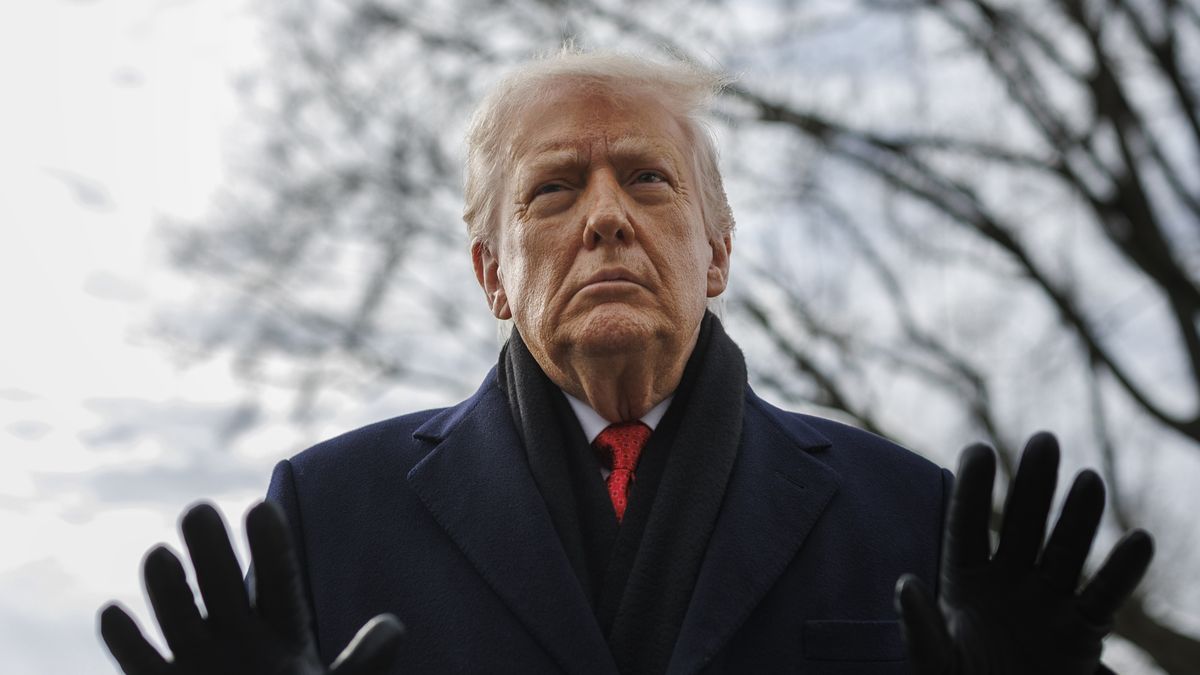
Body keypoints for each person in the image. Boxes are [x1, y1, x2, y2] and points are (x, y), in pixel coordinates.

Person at [99, 49, 1154, 675]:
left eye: (648, 179)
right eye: (554, 189)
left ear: (718, 251)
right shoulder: (331, 516)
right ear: (492, 274)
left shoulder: (910, 515)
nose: (605, 217)